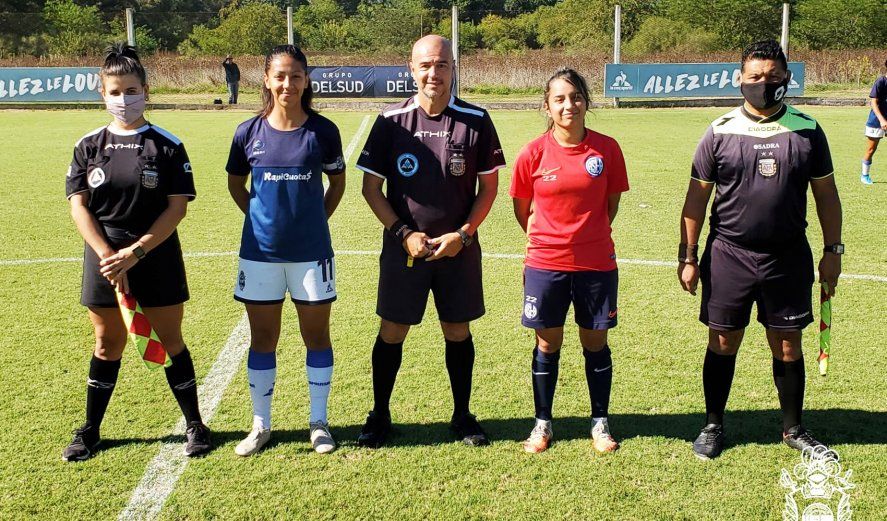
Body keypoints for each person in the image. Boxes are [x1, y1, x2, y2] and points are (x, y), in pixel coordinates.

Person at [678, 40, 843, 460]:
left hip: (787, 256)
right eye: (754, 77)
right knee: (722, 342)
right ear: (739, 79)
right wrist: (688, 256)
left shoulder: (807, 129)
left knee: (788, 345)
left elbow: (826, 194)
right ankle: (713, 425)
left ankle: (793, 429)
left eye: (771, 77)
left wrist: (833, 251)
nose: (762, 84)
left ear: (786, 78)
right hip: (729, 254)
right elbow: (696, 199)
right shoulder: (719, 131)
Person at [63, 43, 212, 461]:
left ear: (145, 89)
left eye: (130, 90)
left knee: (171, 340)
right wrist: (110, 255)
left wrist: (137, 252)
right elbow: (79, 206)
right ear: (102, 93)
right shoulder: (88, 145)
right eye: (114, 91)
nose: (123, 99)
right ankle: (90, 430)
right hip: (104, 258)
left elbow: (176, 207)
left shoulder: (166, 145)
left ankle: (195, 424)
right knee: (107, 343)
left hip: (155, 253)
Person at [355, 35, 505, 448]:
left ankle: (462, 415)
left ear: (453, 68)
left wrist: (463, 234)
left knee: (457, 330)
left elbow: (488, 189)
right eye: (425, 65)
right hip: (405, 249)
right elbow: (371, 189)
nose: (433, 73)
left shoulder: (476, 119)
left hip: (458, 250)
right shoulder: (389, 122)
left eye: (441, 65)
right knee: (392, 330)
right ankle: (379, 415)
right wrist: (403, 234)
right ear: (411, 68)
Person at [227, 44, 346, 457]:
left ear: (306, 80)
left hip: (312, 254)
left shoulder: (323, 131)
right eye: (279, 75)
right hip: (259, 255)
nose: (287, 84)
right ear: (265, 78)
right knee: (263, 338)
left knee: (316, 336)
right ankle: (261, 425)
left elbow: (338, 185)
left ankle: (319, 422)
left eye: (295, 76)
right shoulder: (247, 132)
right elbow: (235, 185)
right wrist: (260, 219)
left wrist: (313, 220)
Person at [510, 68, 628, 454]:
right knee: (548, 343)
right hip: (546, 263)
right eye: (559, 99)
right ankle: (542, 424)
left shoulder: (607, 149)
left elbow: (610, 205)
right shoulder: (532, 152)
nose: (568, 105)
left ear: (586, 102)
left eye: (575, 97)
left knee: (595, 343)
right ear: (546, 105)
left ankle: (600, 422)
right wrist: (552, 240)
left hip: (595, 263)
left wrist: (586, 235)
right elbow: (521, 209)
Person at [861, 59, 887, 185]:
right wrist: (882, 120)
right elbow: (873, 103)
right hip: (877, 121)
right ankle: (864, 175)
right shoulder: (881, 81)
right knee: (871, 149)